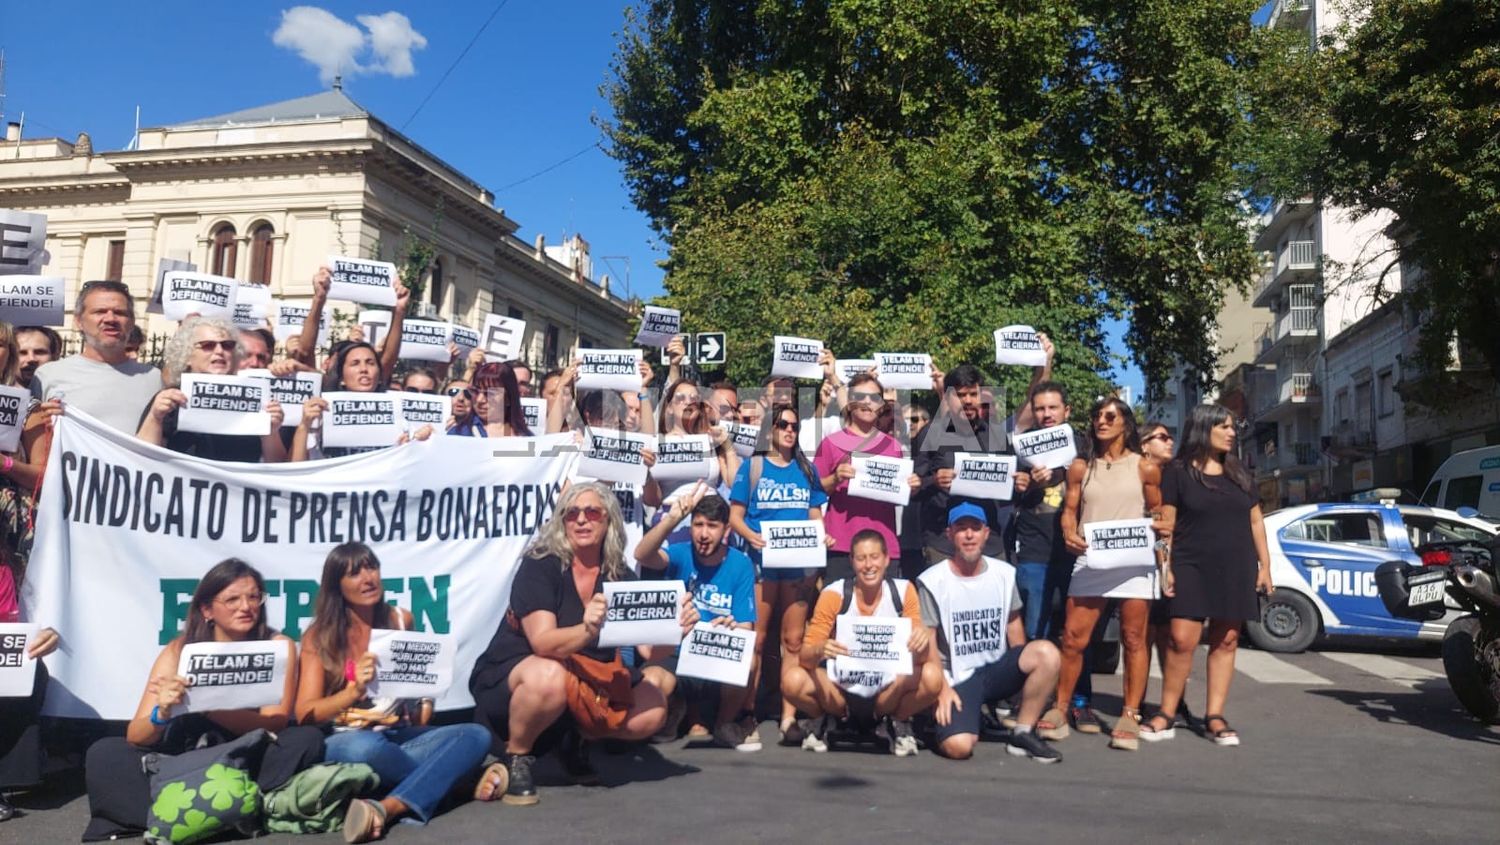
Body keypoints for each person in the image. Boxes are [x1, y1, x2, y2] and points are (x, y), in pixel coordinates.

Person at [469, 483, 696, 806]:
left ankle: (573, 737)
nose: (581, 520)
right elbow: (544, 642)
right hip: (519, 676)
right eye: (571, 513)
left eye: (592, 512)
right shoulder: (541, 564)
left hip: (586, 676)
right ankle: (516, 755)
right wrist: (587, 630)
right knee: (549, 676)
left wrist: (675, 633)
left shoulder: (619, 575)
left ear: (609, 522)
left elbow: (648, 651)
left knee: (653, 706)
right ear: (561, 522)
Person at [83, 559, 324, 839]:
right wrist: (162, 713)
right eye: (233, 599)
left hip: (244, 753)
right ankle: (222, 812)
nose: (246, 607)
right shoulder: (179, 649)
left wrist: (207, 706)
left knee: (306, 740)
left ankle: (190, 813)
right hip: (184, 756)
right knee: (105, 753)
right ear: (207, 610)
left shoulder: (278, 645)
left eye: (254, 596)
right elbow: (136, 735)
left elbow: (275, 723)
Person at [296, 543, 497, 841]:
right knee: (367, 749)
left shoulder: (401, 619)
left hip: (397, 736)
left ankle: (387, 807)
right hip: (346, 739)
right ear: (336, 587)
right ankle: (457, 785)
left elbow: (415, 689)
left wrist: (426, 696)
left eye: (371, 567)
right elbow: (305, 713)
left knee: (475, 736)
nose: (368, 578)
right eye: (355, 573)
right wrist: (353, 692)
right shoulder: (319, 636)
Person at [1145, 404, 1272, 747]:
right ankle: (1167, 712)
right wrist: (1165, 567)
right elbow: (1166, 525)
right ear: (1204, 429)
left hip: (1236, 566)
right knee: (1181, 640)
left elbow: (1256, 521)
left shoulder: (1241, 474)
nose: (1232, 433)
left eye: (1233, 428)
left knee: (1226, 640)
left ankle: (1214, 715)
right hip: (1190, 565)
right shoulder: (1176, 472)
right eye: (1225, 427)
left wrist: (1266, 567)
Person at [1049, 397, 1164, 751]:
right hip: (1091, 558)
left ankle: (1130, 713)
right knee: (1073, 637)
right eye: (1097, 415)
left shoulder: (1145, 467)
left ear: (1125, 424)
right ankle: (1060, 708)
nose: (1102, 420)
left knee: (1133, 639)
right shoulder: (1081, 467)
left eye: (1110, 416)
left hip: (1134, 561)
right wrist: (1068, 530)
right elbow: (1069, 511)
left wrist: (1163, 524)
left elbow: (1158, 510)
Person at [918, 503, 1062, 763]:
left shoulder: (1004, 574)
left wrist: (1020, 683)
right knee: (959, 747)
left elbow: (1014, 627)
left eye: (975, 528)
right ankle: (933, 720)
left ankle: (1023, 731)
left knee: (1047, 653)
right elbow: (927, 641)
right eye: (962, 529)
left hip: (994, 669)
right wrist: (940, 690)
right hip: (956, 678)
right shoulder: (933, 581)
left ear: (986, 533)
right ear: (950, 535)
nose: (969, 535)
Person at [786, 529, 941, 756]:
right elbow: (806, 657)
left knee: (932, 676)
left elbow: (920, 658)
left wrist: (920, 642)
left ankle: (897, 721)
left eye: (874, 557)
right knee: (792, 679)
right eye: (861, 558)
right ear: (852, 561)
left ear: (887, 559)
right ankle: (822, 719)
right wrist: (820, 649)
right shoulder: (834, 594)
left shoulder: (904, 590)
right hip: (841, 690)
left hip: (888, 690)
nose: (868, 565)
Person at [728, 402, 830, 744]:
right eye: (783, 424)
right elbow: (734, 515)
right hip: (761, 565)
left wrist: (822, 537)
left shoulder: (806, 468)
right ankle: (747, 713)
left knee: (793, 642)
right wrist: (750, 536)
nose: (789, 430)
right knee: (756, 641)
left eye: (794, 426)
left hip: (798, 564)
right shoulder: (753, 466)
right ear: (770, 429)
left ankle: (789, 719)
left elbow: (815, 512)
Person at [636, 489, 759, 750]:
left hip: (713, 653)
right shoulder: (679, 554)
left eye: (712, 526)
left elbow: (747, 627)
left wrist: (732, 626)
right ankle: (674, 709)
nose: (704, 534)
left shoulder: (741, 564)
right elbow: (642, 555)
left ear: (726, 530)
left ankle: (724, 723)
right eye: (698, 525)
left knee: (749, 659)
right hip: (675, 653)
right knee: (649, 682)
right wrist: (670, 520)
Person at [913, 364, 1031, 577]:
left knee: (994, 606)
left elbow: (1012, 482)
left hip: (990, 541)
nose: (967, 400)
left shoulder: (995, 434)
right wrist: (933, 481)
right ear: (948, 398)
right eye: (960, 395)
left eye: (972, 394)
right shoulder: (930, 433)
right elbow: (911, 488)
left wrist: (1021, 483)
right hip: (943, 543)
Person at [814, 372, 920, 583]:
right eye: (860, 396)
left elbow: (900, 492)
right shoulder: (831, 443)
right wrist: (835, 478)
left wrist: (912, 487)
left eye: (874, 398)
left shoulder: (893, 446)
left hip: (884, 547)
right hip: (841, 546)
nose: (867, 402)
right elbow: (812, 493)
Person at [136, 316, 288, 462]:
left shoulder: (257, 401)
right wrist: (155, 418)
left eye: (227, 345)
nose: (219, 351)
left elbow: (277, 467)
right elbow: (140, 458)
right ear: (187, 355)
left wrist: (271, 433)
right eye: (208, 345)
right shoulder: (171, 399)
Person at [29, 280, 160, 434]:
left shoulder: (154, 378)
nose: (110, 319)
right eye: (100, 311)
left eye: (120, 313)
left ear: (131, 322)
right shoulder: (47, 375)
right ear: (79, 321)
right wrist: (43, 420)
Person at [1139, 420, 1195, 728]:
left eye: (1171, 437)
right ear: (1144, 444)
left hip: (1171, 565)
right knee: (1142, 637)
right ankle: (1137, 701)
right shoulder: (1136, 475)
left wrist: (1168, 563)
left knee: (1171, 638)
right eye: (1161, 437)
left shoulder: (1175, 476)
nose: (1169, 442)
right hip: (1141, 564)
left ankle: (1174, 702)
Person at [290, 340, 433, 461]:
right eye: (355, 363)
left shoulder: (399, 419)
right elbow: (296, 469)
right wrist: (304, 425)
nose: (364, 369)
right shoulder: (322, 413)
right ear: (341, 378)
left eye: (370, 363)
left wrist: (414, 445)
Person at [0, 559, 59, 824]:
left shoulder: (4, 571)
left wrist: (45, 637)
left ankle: (8, 776)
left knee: (31, 671)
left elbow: (11, 633)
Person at [451, 362, 532, 438]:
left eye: (490, 393)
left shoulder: (527, 438)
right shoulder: (458, 435)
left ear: (508, 398)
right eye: (475, 391)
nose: (480, 400)